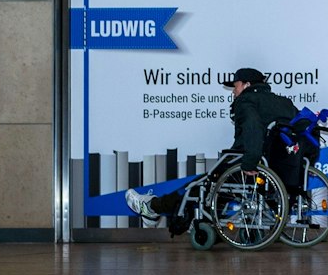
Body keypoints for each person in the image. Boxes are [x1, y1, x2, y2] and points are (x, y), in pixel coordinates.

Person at [126, 66, 300, 231]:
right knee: (217, 185)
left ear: (247, 85)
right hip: (280, 171)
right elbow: (303, 130)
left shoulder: (247, 101)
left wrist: (249, 163)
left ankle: (152, 207)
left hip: (251, 164)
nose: (233, 91)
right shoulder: (284, 103)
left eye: (236, 86)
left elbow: (253, 130)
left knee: (201, 184)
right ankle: (205, 222)